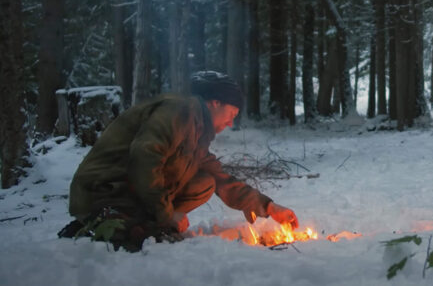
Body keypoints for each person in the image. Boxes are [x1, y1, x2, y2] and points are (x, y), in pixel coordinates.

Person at [59, 71, 298, 251]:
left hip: (127, 191)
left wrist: (267, 207)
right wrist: (166, 213)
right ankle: (109, 223)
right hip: (103, 191)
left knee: (205, 181)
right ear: (215, 102)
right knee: (132, 240)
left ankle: (144, 225)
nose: (230, 123)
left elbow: (221, 178)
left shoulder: (196, 130)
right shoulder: (179, 110)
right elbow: (144, 156)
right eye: (232, 114)